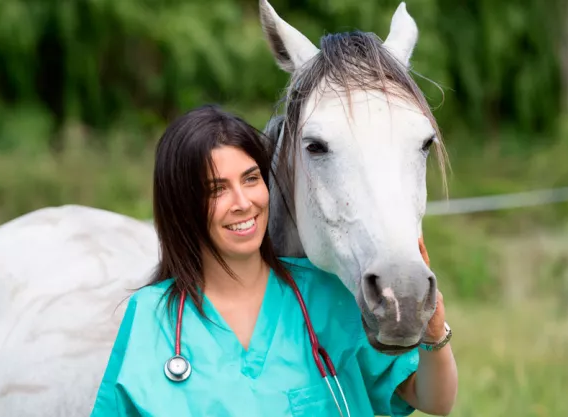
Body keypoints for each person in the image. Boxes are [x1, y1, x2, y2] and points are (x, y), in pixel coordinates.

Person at [89, 105, 458, 416]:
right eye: (217, 189)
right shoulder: (152, 318)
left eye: (251, 179)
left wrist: (433, 335)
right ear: (182, 205)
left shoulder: (327, 298)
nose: (243, 202)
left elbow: (432, 400)